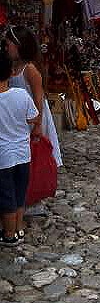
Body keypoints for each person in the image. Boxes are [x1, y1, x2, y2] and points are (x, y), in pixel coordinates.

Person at [4, 26, 62, 169]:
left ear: (18, 46)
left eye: (8, 45)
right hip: (20, 114)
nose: (5, 49)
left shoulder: (29, 69)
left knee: (35, 152)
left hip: (34, 115)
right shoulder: (12, 66)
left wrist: (38, 125)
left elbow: (38, 98)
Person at [0, 50, 38, 244]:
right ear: (10, 73)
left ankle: (8, 235)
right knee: (19, 192)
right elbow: (33, 117)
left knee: (6, 197)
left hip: (3, 157)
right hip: (23, 153)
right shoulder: (21, 95)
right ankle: (18, 228)